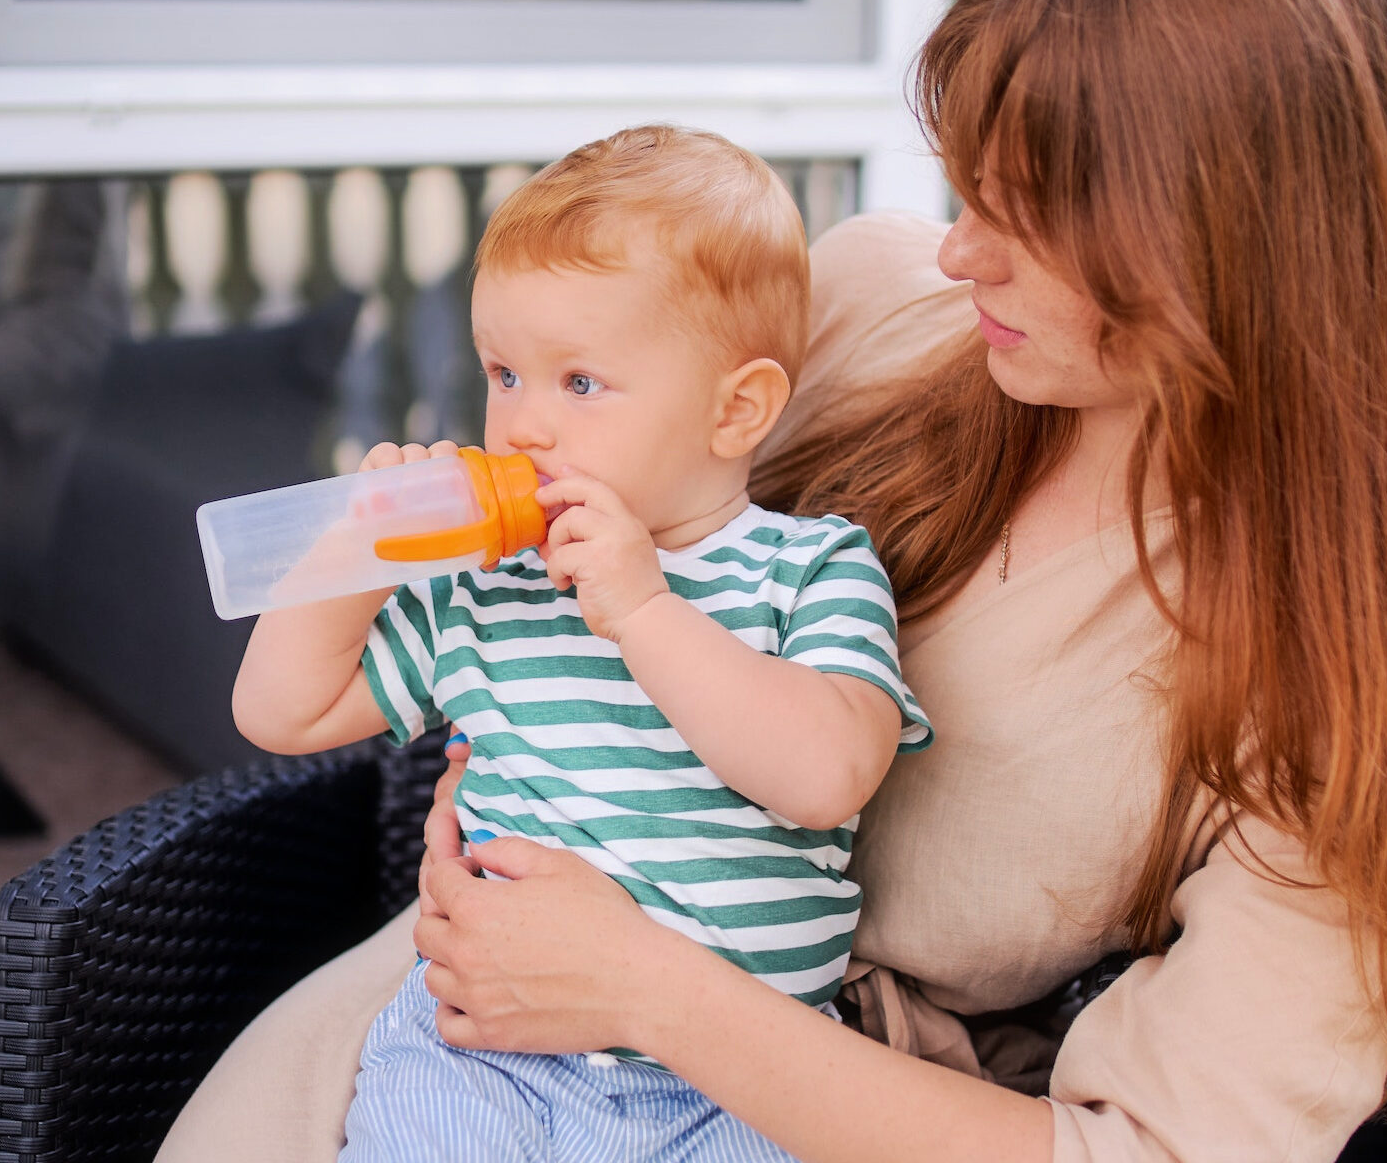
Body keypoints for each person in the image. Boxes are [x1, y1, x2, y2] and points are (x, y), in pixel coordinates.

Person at [159, 0, 1387, 1163]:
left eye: (1030, 215)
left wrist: (652, 991)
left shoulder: (1350, 703)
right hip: (458, 1018)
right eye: (968, 185)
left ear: (1242, 248)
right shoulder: (880, 306)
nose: (960, 250)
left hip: (786, 1108)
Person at [228, 124, 931, 1162]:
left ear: (737, 410)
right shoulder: (488, 589)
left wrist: (643, 608)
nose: (521, 429)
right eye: (503, 373)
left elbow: (826, 776)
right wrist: (355, 557)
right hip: (481, 1060)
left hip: (735, 1087)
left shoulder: (808, 570)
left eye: (580, 384)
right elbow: (280, 714)